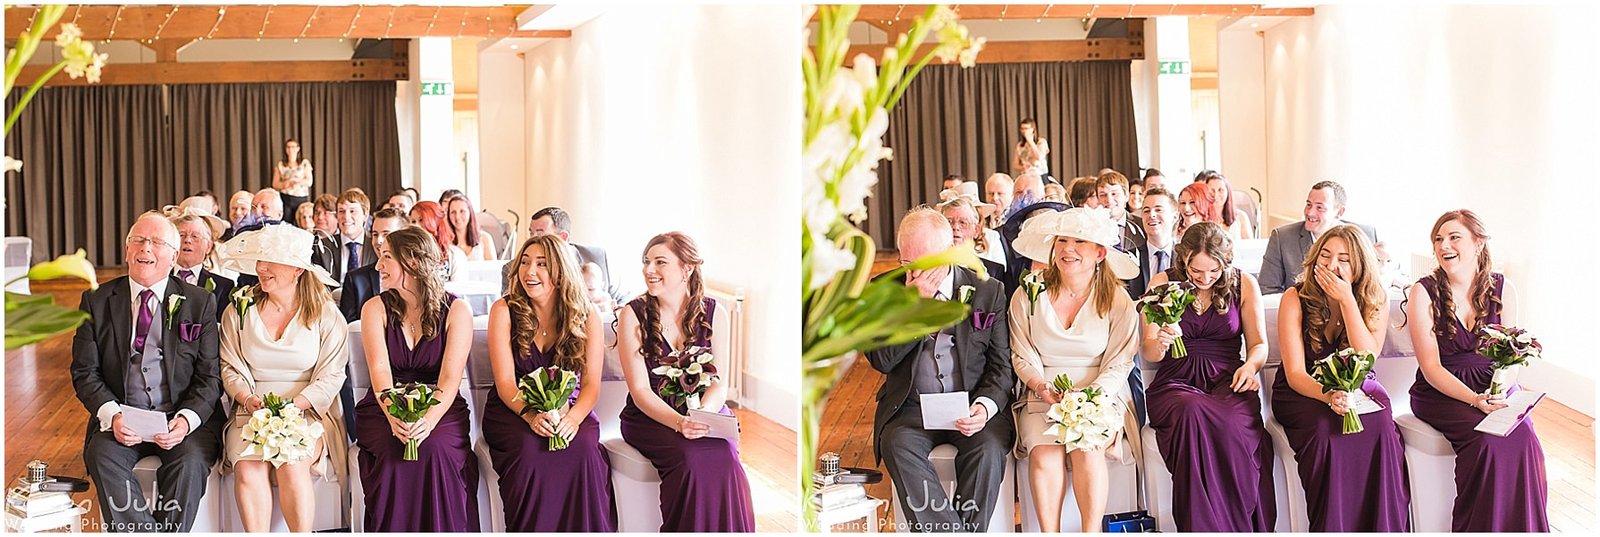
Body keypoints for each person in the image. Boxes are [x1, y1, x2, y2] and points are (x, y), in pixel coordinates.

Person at [72, 212, 223, 532]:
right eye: (138, 240)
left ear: (173, 255)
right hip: (123, 417)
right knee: (102, 455)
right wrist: (112, 415)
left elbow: (209, 377)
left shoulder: (199, 302)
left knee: (190, 462)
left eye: (156, 242)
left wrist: (185, 420)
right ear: (127, 250)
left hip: (180, 419)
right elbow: (85, 372)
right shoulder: (96, 301)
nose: (146, 248)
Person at [866, 209, 1012, 532]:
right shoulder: (883, 289)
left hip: (971, 407)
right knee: (896, 444)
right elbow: (881, 359)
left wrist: (984, 407)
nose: (916, 274)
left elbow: (1001, 367)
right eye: (908, 264)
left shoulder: (988, 291)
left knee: (988, 450)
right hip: (911, 409)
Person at [1404, 210, 1547, 531]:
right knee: (1486, 443)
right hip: (1443, 391)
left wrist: (1500, 390)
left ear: (1478, 243)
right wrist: (1474, 398)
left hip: (1493, 389)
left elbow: (1513, 357)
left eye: (1455, 237)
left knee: (1525, 439)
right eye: (1438, 240)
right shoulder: (1423, 292)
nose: (1444, 246)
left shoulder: (1503, 288)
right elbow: (1430, 367)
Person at [1008, 207, 1141, 532]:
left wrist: (1093, 395)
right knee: (1044, 454)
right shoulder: (1028, 293)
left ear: (1099, 252)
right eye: (1062, 240)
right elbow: (1021, 352)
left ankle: (1090, 531)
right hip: (1041, 395)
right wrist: (1041, 387)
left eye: (1079, 241)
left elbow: (1121, 359)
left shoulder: (1118, 299)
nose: (1068, 249)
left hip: (1100, 395)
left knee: (1086, 449)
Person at [1270, 224, 1409, 531]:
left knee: (1381, 422)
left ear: (1359, 265)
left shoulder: (1376, 298)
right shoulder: (1295, 298)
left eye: (1344, 259)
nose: (1332, 265)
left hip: (1356, 384)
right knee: (1326, 428)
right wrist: (1329, 396)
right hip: (1304, 391)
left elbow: (1367, 357)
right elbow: (1295, 373)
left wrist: (1347, 301)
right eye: (1326, 256)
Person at [1141, 222, 1275, 531]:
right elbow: (1148, 351)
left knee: (1232, 425)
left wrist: (1250, 367)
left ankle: (1234, 523)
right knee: (1191, 411)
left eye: (1213, 272)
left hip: (1228, 378)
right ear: (1184, 259)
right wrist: (1160, 341)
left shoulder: (1245, 284)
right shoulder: (1162, 282)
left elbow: (1258, 345)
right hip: (1176, 381)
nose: (1204, 279)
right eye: (1196, 271)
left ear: (1225, 262)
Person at [215, 225, 349, 532]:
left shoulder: (326, 313)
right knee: (248, 468)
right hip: (250, 410)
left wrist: (296, 405)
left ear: (297, 269)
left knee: (292, 464)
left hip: (309, 412)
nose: (261, 268)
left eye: (271, 259)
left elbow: (332, 374)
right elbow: (230, 366)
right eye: (260, 260)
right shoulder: (239, 308)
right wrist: (248, 400)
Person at [617, 232, 754, 531]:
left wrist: (702, 415)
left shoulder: (714, 312)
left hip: (706, 411)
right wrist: (680, 423)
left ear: (686, 267)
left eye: (660, 262)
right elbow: (639, 390)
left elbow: (719, 381)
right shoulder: (633, 314)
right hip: (651, 417)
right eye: (646, 262)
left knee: (726, 456)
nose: (649, 270)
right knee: (690, 458)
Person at [481, 234, 618, 531]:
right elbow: (505, 382)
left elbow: (592, 384)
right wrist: (531, 416)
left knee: (584, 452)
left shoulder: (587, 316)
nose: (530, 272)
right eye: (525, 263)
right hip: (513, 411)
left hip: (571, 408)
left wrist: (572, 419)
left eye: (542, 264)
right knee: (531, 451)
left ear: (561, 270)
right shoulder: (503, 311)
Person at [353, 227, 479, 531]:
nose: (378, 265)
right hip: (385, 406)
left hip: (441, 407)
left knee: (435, 448)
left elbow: (449, 380)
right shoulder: (375, 308)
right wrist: (395, 415)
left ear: (411, 261)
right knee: (392, 449)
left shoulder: (457, 310)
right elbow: (381, 372)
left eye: (386, 257)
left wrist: (428, 420)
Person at [1259, 181, 1380, 294]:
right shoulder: (1283, 238)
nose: (1310, 213)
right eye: (1308, 205)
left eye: (1319, 207)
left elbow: (1375, 286)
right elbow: (1267, 290)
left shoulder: (1365, 235)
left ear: (1339, 212)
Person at [514, 206, 629, 304]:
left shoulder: (598, 257)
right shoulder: (513, 268)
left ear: (563, 237)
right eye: (531, 233)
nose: (533, 239)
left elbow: (624, 300)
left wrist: (610, 308)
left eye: (540, 233)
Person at [166, 208, 235, 321]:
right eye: (181, 235)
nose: (187, 240)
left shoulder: (223, 287)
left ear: (208, 246)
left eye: (195, 236)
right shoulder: (159, 278)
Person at [313, 189, 375, 285]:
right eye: (341, 211)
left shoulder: (375, 246)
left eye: (352, 211)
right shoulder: (322, 247)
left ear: (365, 215)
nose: (346, 217)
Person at [1126, 188, 1179, 297]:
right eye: (1146, 211)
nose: (1152, 215)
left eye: (1158, 210)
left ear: (1175, 217)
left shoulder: (1186, 257)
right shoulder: (1129, 258)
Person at [939, 197, 1006, 272]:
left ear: (976, 230)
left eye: (963, 222)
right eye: (949, 221)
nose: (955, 227)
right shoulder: (928, 267)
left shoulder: (993, 271)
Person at [409, 201, 465, 281]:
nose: (416, 226)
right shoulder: (406, 253)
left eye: (421, 220)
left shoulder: (454, 255)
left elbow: (459, 288)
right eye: (413, 221)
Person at [1094, 171, 1146, 252]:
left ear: (1126, 196)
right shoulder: (1092, 227)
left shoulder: (1141, 225)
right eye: (1103, 195)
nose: (1109, 200)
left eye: (1114, 194)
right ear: (1097, 199)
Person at [445, 196, 497, 261]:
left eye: (462, 211)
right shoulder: (445, 242)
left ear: (470, 212)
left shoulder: (485, 239)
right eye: (453, 212)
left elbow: (492, 269)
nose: (457, 217)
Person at [272, 138, 314, 213]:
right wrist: (285, 184)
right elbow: (275, 184)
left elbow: (309, 182)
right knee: (286, 222)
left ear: (298, 148)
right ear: (285, 149)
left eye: (293, 147)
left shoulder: (304, 163)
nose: (291, 149)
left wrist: (297, 181)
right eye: (288, 147)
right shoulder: (280, 164)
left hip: (301, 197)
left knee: (301, 222)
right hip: (285, 198)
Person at [1203, 174, 1250, 239]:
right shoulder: (1201, 218)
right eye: (1212, 191)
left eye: (1220, 190)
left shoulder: (1241, 216)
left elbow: (1250, 245)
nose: (1216, 195)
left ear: (1228, 192)